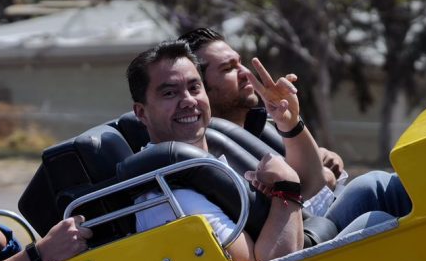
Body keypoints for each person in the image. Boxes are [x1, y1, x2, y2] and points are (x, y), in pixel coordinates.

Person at [177, 27, 413, 228]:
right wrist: (324, 179)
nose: (246, 74)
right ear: (201, 88)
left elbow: (323, 180)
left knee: (391, 184)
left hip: (320, 219)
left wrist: (317, 152)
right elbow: (295, 205)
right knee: (377, 189)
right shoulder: (211, 152)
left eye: (241, 63)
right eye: (228, 69)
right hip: (305, 242)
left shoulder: (262, 127)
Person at [127, 41, 304, 261]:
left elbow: (317, 189)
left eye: (194, 88)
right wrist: (286, 189)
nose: (189, 101)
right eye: (170, 93)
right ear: (141, 112)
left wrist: (290, 124)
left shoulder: (216, 154)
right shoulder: (171, 195)